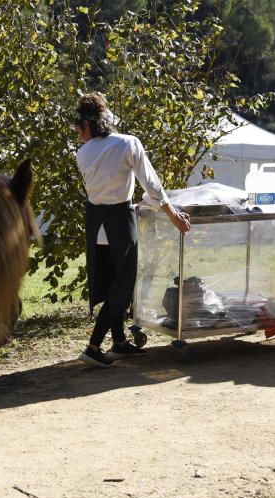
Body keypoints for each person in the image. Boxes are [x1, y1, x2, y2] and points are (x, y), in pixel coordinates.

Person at [72, 92, 191, 367]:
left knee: (113, 283)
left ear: (89, 124)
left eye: (79, 129)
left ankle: (120, 343)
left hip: (97, 227)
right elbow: (152, 185)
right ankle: (93, 346)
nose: (79, 135)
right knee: (122, 287)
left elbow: (103, 189)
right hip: (120, 224)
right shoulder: (128, 143)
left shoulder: (83, 153)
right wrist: (172, 214)